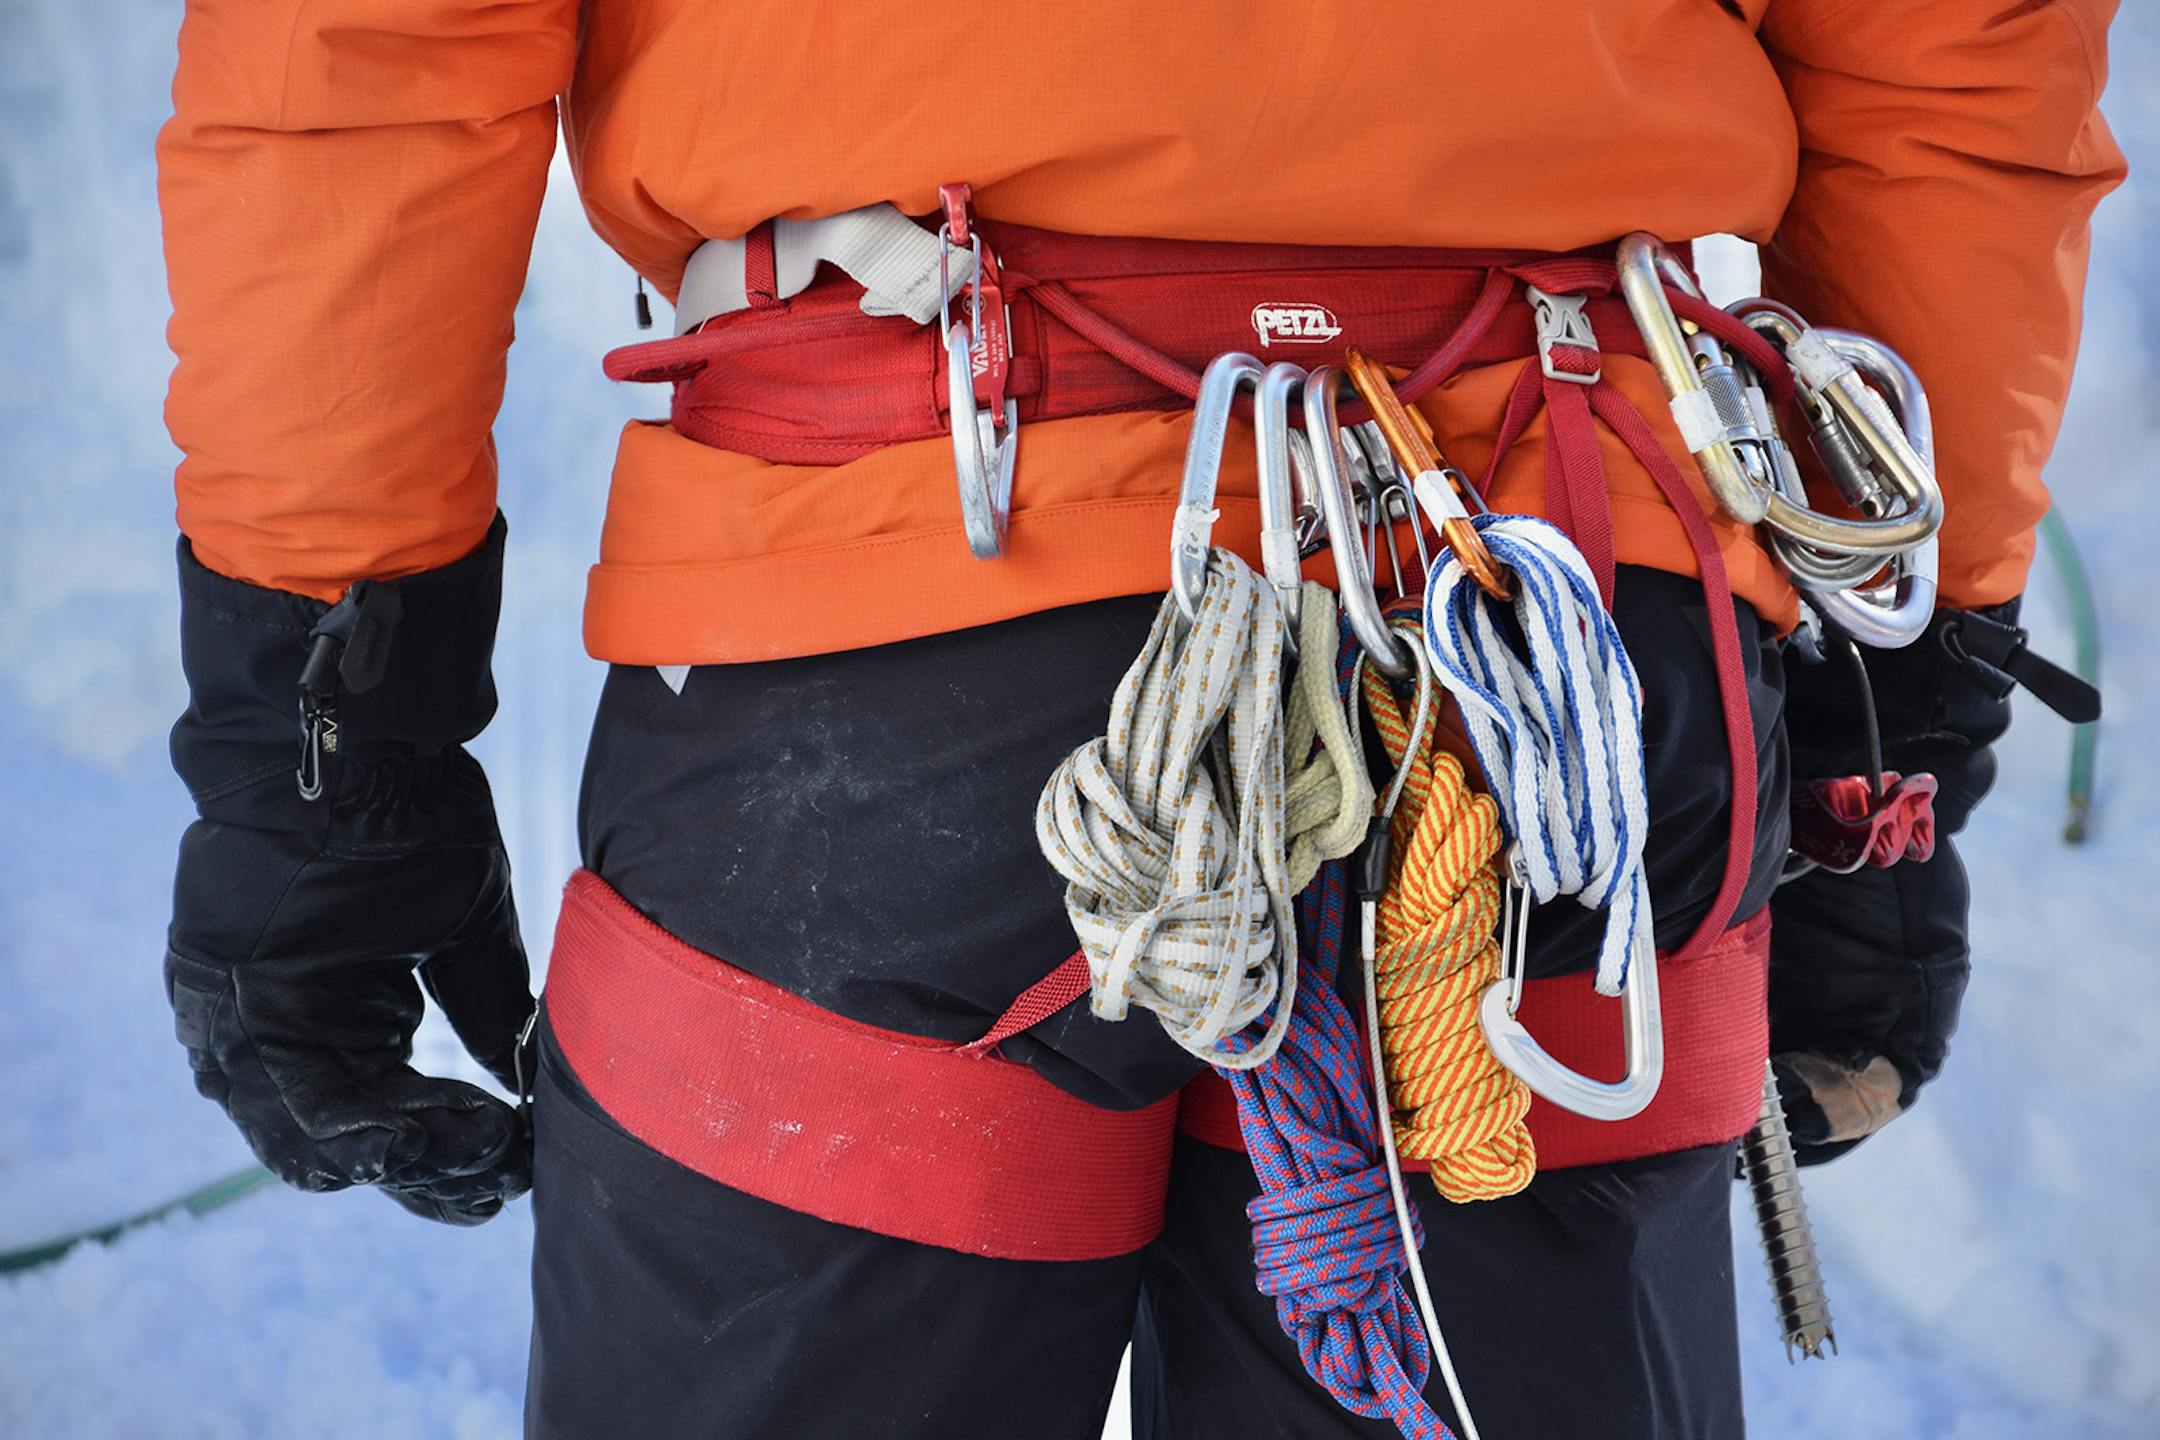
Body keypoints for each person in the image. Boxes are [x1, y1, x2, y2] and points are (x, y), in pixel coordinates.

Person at [155, 3, 2123, 1436]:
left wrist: (323, 752)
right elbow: (1955, 62)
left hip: (892, 661)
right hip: (1553, 663)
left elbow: (362, 62)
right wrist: (1898, 705)